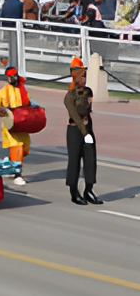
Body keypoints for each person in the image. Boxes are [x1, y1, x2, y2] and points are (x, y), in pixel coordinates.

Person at [64, 70, 102, 205]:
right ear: (75, 79)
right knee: (74, 160)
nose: (83, 80)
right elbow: (75, 115)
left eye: (85, 77)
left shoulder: (88, 92)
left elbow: (88, 110)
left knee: (90, 159)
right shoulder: (69, 96)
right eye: (80, 77)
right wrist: (85, 133)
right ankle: (73, 190)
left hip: (87, 127)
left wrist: (88, 131)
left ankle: (89, 190)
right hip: (75, 130)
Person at [0, 66, 34, 185]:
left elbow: (29, 103)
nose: (13, 79)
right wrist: (3, 111)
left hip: (23, 125)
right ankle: (17, 174)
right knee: (17, 148)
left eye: (14, 76)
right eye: (10, 77)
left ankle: (10, 163)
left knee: (25, 148)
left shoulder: (23, 90)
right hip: (10, 126)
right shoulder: (3, 92)